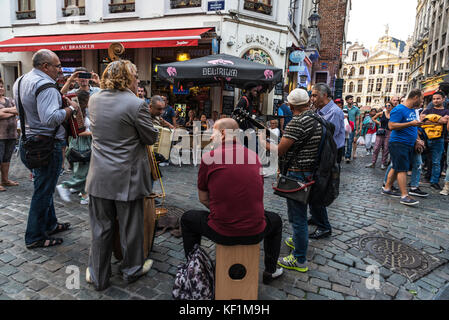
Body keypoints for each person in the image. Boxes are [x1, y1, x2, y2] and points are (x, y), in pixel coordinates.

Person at [181, 118, 284, 284]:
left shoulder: (209, 158)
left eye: (212, 132)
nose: (210, 136)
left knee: (187, 219)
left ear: (223, 134)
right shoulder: (254, 156)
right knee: (276, 221)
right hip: (255, 230)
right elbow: (256, 193)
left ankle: (195, 268)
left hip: (222, 231)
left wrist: (222, 209)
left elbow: (203, 198)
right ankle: (271, 270)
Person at [85, 60, 159, 291]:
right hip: (127, 177)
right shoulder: (136, 104)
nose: (138, 80)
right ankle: (132, 269)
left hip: (98, 176)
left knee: (100, 228)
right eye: (135, 76)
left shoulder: (94, 99)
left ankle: (98, 276)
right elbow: (150, 138)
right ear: (127, 79)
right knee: (131, 229)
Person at [14, 49, 76, 248]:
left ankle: (50, 224)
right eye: (57, 66)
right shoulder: (46, 85)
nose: (60, 70)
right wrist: (71, 109)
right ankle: (35, 237)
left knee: (44, 188)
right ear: (45, 66)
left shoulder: (21, 80)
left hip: (28, 143)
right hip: (46, 146)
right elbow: (50, 119)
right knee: (42, 192)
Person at [259, 88, 323, 272]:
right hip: (310, 171)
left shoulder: (297, 122)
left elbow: (280, 150)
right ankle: (297, 241)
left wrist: (263, 142)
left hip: (298, 173)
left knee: (298, 218)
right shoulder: (316, 118)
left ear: (292, 105)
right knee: (299, 215)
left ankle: (299, 259)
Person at [309, 83, 344, 239]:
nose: (312, 98)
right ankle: (316, 217)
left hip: (329, 153)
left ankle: (324, 226)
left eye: (315, 95)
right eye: (312, 95)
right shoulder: (318, 110)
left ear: (325, 95)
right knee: (313, 187)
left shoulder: (334, 112)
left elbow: (328, 134)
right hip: (321, 152)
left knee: (320, 188)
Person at [383, 89, 424, 206]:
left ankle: (387, 188)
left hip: (407, 143)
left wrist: (416, 139)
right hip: (399, 143)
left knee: (396, 167)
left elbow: (412, 127)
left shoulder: (411, 110)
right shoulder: (399, 109)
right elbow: (391, 125)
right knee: (402, 169)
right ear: (415, 97)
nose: (422, 102)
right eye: (421, 99)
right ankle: (404, 195)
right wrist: (411, 124)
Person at [56, 90, 92, 205]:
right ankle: (65, 185)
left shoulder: (82, 112)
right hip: (81, 145)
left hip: (80, 144)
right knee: (83, 173)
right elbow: (79, 132)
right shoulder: (77, 113)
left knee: (82, 172)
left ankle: (84, 195)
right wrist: (94, 133)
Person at [420, 91, 449, 190]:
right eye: (434, 99)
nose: (435, 100)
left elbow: (445, 121)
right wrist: (438, 121)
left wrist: (429, 120)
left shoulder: (446, 111)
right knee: (421, 160)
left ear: (443, 99)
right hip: (425, 137)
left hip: (439, 139)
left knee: (436, 161)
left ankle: (434, 181)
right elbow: (422, 120)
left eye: (438, 98)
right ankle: (417, 180)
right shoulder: (428, 109)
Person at [0, 79, 19, 192]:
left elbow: (18, 110)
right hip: (0, 135)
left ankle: (5, 180)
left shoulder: (9, 99)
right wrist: (10, 112)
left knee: (7, 158)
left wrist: (4, 111)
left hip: (11, 134)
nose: (1, 88)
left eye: (2, 86)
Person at [367, 102, 393, 169]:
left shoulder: (393, 114)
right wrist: (379, 123)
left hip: (389, 132)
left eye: (389, 105)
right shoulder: (382, 113)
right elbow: (373, 118)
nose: (387, 107)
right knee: (376, 148)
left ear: (392, 106)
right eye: (386, 106)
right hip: (381, 131)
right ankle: (373, 163)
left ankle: (383, 163)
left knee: (386, 149)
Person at [344, 95, 361, 162]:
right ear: (347, 100)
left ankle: (348, 157)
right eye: (350, 99)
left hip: (352, 128)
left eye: (352, 99)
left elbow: (357, 119)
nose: (352, 100)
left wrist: (357, 129)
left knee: (349, 143)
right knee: (342, 142)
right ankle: (342, 155)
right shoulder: (344, 108)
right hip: (344, 127)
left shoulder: (356, 109)